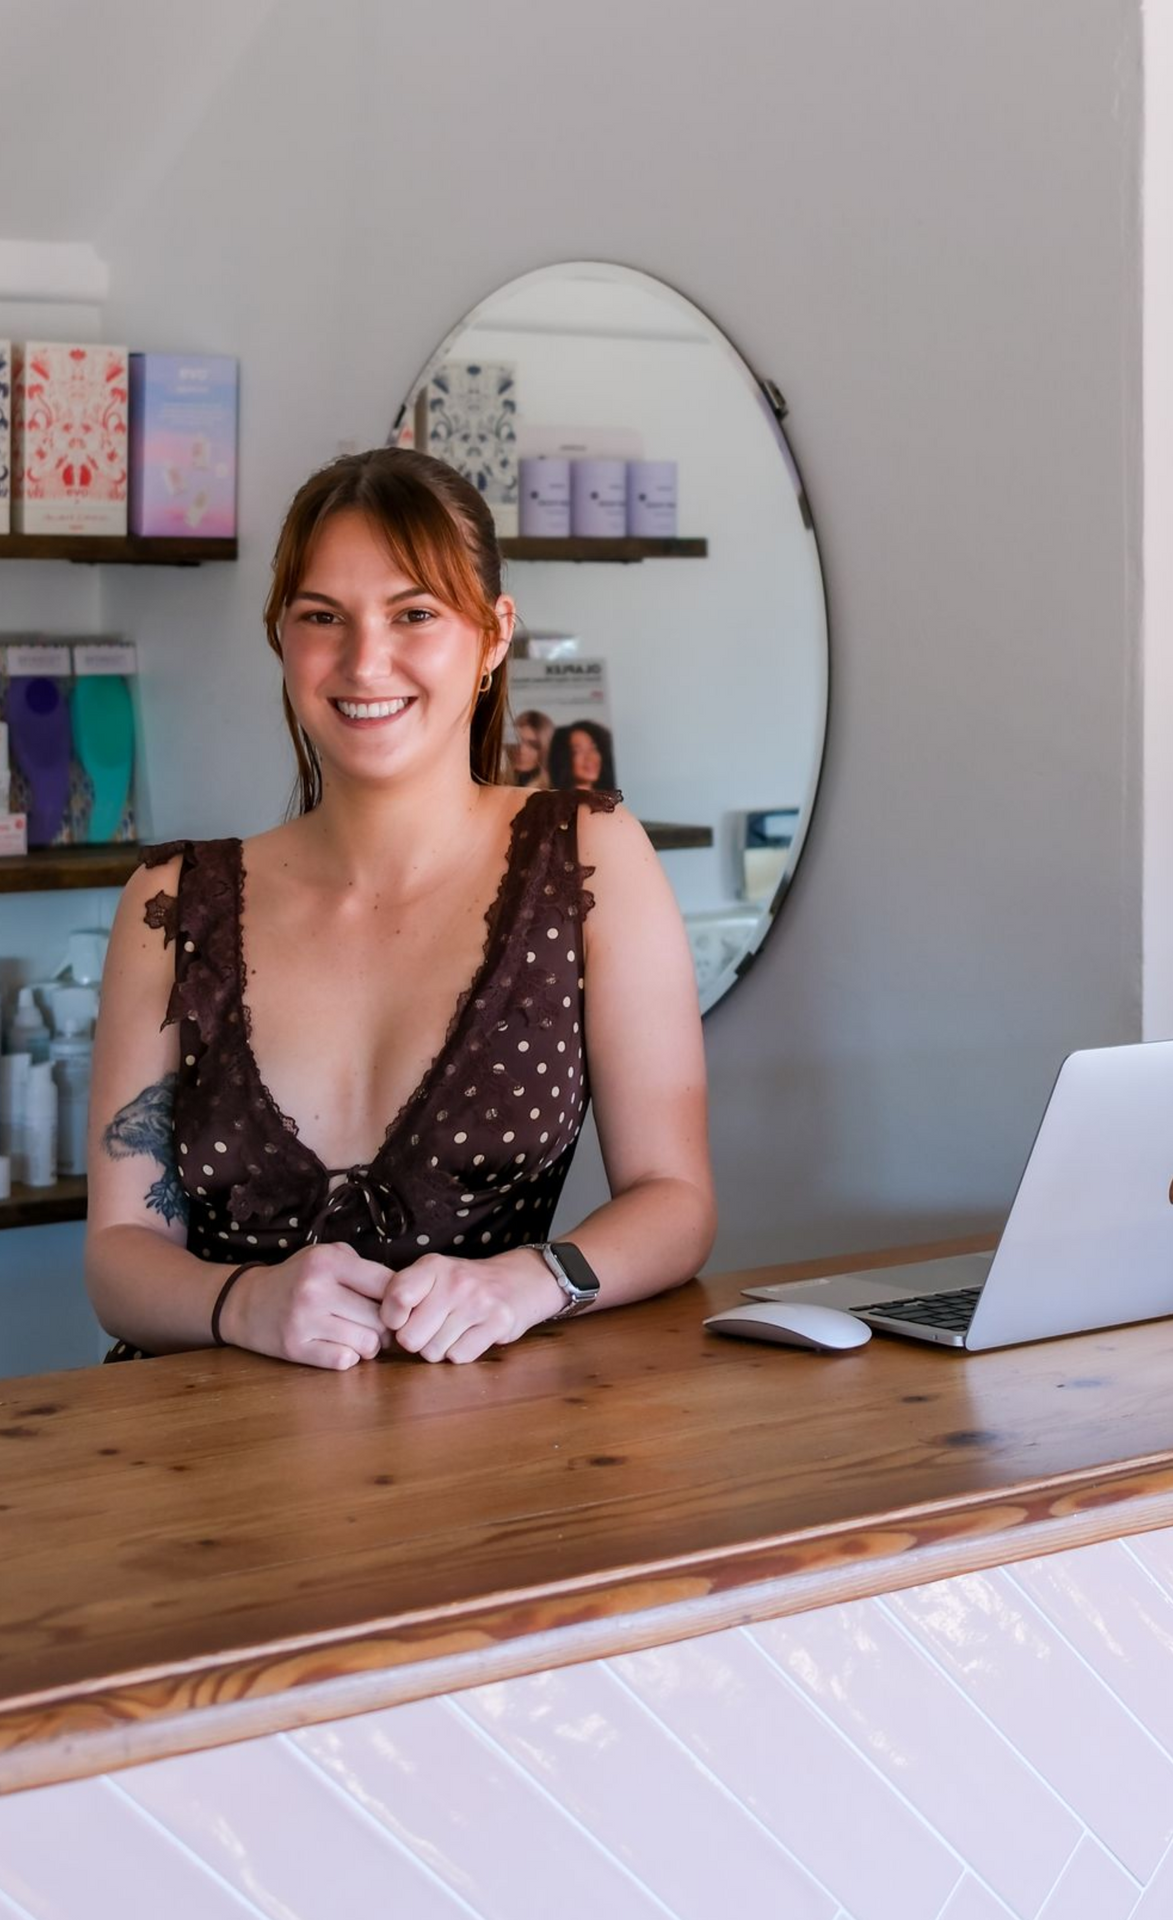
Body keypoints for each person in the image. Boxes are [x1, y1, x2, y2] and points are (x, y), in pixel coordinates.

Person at [85, 448, 714, 1368]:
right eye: (321, 618)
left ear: (496, 634)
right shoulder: (172, 903)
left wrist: (535, 1279)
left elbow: (675, 1198)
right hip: (202, 1461)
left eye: (414, 613)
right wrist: (245, 1302)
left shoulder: (588, 856)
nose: (363, 661)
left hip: (487, 1450)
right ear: (282, 639)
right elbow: (117, 1259)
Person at [547, 718, 617, 794]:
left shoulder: (612, 802)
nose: (589, 757)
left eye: (593, 748)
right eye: (578, 751)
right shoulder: (553, 803)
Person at [506, 708, 554, 789]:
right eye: (517, 741)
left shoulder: (554, 790)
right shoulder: (492, 782)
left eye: (533, 745)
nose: (521, 750)